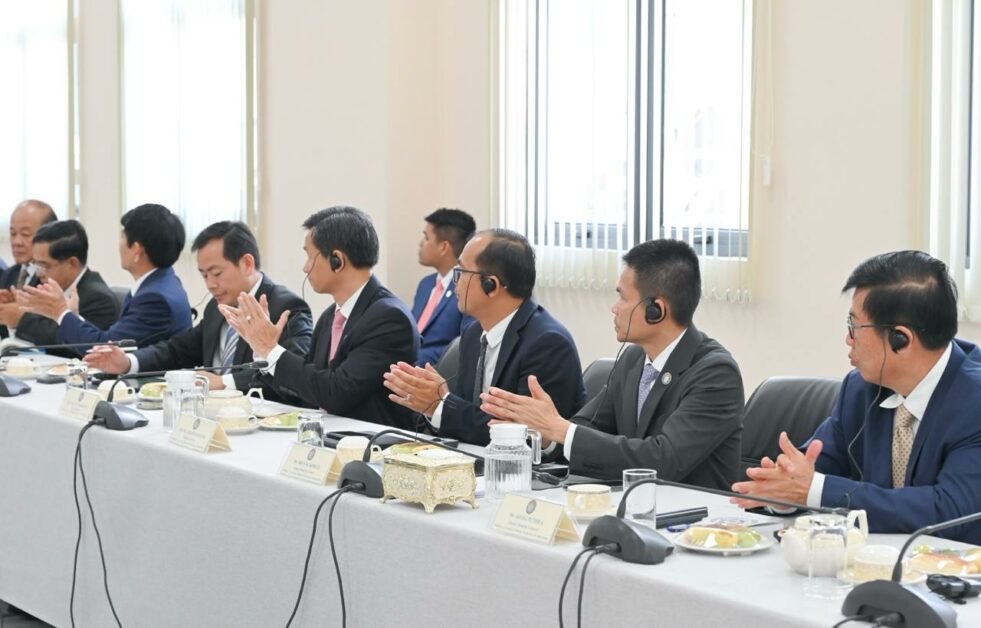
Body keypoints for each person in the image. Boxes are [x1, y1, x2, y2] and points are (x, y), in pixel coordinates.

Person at [732, 251, 981, 543]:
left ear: (900, 339)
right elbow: (812, 468)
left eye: (854, 327)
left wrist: (812, 490)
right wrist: (785, 495)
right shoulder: (860, 388)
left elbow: (948, 510)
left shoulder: (974, 401)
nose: (848, 340)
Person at [479, 239, 744, 489]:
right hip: (634, 504)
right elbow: (589, 426)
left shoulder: (716, 374)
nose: (614, 308)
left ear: (656, 310)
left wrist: (562, 429)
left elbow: (662, 460)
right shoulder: (633, 358)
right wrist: (548, 433)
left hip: (697, 515)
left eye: (623, 298)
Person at [219, 206, 419, 427]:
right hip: (324, 436)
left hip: (370, 442)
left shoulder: (389, 318)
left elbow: (337, 393)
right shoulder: (329, 317)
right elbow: (307, 393)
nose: (305, 268)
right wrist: (263, 353)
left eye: (309, 256)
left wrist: (272, 350)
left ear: (337, 260)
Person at [383, 229, 586, 445]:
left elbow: (522, 436)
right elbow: (469, 417)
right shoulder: (473, 333)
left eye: (461, 272)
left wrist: (441, 406)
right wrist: (432, 405)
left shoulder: (547, 344)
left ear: (491, 285)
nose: (455, 282)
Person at [83, 221, 312, 394]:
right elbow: (177, 350)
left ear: (247, 263)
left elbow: (293, 378)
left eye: (216, 273)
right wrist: (128, 362)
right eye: (204, 275)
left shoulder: (286, 308)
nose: (210, 285)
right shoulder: (216, 308)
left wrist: (224, 382)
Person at [18, 203, 192, 351]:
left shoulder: (155, 298)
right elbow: (107, 339)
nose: (119, 244)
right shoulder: (161, 283)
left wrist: (60, 312)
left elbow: (106, 349)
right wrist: (72, 316)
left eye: (122, 236)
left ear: (136, 250)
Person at [12, 220, 119, 356]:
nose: (39, 273)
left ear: (72, 263)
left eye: (44, 266)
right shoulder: (43, 282)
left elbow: (65, 346)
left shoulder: (99, 299)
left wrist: (19, 320)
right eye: (36, 264)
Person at [411, 208, 476, 366]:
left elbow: (464, 345)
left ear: (443, 247)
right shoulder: (426, 284)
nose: (421, 243)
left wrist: (409, 360)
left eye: (426, 237)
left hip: (434, 370)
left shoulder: (468, 287)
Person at [0, 200, 57, 337]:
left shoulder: (54, 277)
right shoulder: (8, 274)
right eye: (13, 234)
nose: (16, 242)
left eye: (25, 234)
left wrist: (20, 317)